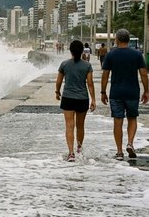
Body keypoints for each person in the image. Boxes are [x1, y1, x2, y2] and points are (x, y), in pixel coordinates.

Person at [100, 28, 149, 160]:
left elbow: (105, 75)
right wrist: (147, 90)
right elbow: (143, 73)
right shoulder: (137, 54)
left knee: (118, 121)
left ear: (116, 39)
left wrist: (103, 92)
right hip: (132, 92)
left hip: (116, 93)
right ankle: (130, 143)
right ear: (128, 40)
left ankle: (119, 152)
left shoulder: (111, 54)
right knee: (132, 118)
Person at [55, 40, 96, 162]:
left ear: (70, 51)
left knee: (69, 126)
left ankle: (71, 153)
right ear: (82, 51)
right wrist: (93, 99)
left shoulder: (64, 64)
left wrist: (57, 92)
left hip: (68, 98)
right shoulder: (87, 66)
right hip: (82, 98)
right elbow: (90, 84)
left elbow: (59, 81)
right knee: (80, 126)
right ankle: (79, 148)